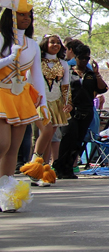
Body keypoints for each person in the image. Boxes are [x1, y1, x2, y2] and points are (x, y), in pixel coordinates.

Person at [0, 0, 48, 212]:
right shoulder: (1, 38)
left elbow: (36, 76)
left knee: (13, 149)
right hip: (0, 93)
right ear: (10, 16)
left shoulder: (32, 45)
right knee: (2, 144)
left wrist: (44, 104)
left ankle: (6, 194)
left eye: (28, 14)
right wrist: (8, 58)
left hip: (20, 97)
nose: (26, 18)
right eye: (21, 14)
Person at [21, 35, 72, 186]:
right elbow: (29, 82)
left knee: (49, 137)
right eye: (52, 42)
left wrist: (68, 103)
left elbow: (66, 86)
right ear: (45, 44)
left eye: (58, 42)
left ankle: (42, 173)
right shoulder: (36, 62)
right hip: (39, 102)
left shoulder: (63, 63)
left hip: (56, 103)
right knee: (46, 131)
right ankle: (34, 163)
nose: (55, 45)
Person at [53, 45, 107, 181]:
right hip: (70, 110)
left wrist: (97, 73)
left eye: (87, 58)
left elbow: (102, 89)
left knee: (78, 141)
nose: (84, 61)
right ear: (75, 58)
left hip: (86, 110)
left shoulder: (90, 74)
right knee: (68, 138)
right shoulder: (68, 72)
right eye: (81, 58)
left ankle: (69, 168)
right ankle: (60, 167)